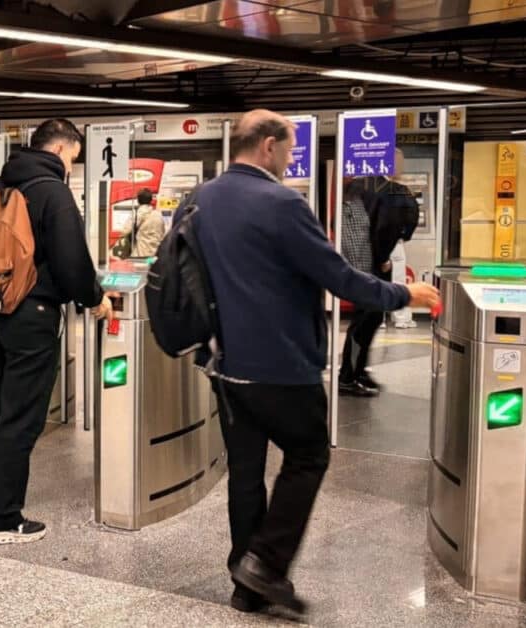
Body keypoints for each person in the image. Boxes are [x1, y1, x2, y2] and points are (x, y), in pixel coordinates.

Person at [193, 110, 439, 613]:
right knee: (308, 455)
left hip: (224, 361)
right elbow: (339, 276)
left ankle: (246, 584)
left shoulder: (202, 199)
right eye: (287, 149)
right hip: (280, 363)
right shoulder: (282, 203)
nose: (288, 159)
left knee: (245, 473)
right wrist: (402, 294)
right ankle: (264, 562)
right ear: (266, 146)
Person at [0, 119, 112, 545]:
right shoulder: (52, 192)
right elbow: (71, 260)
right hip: (32, 313)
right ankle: (2, 519)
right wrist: (92, 298)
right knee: (21, 414)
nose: (72, 168)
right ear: (61, 150)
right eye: (73, 159)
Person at [340, 150, 421, 395]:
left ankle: (358, 369)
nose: (401, 165)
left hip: (362, 263)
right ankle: (348, 376)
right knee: (365, 320)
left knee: (370, 318)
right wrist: (383, 258)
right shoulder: (388, 190)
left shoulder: (359, 186)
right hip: (373, 265)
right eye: (398, 161)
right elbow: (388, 228)